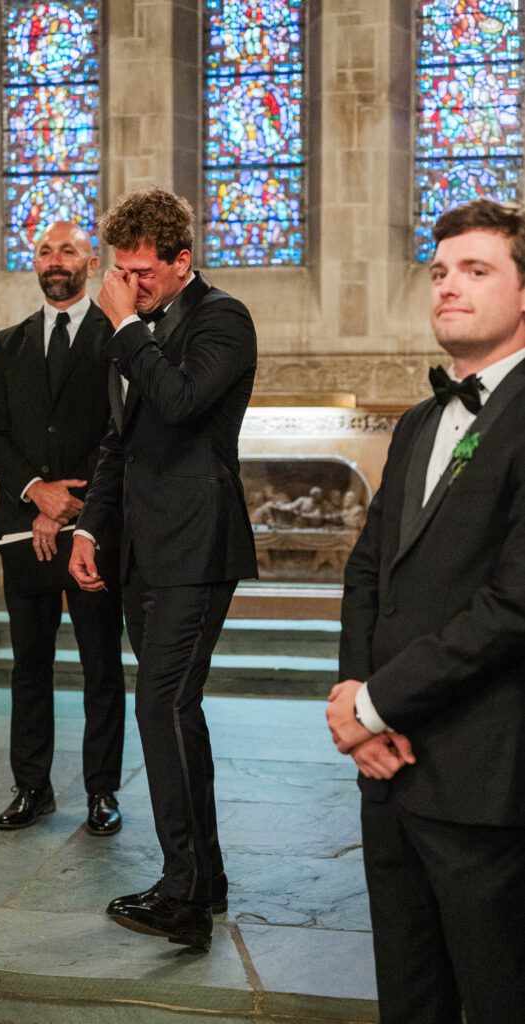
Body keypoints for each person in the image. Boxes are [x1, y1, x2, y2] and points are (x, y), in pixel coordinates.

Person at [326, 198, 525, 1024]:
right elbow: (368, 571)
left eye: (476, 270)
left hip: (486, 773)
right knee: (408, 998)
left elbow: (513, 603)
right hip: (390, 771)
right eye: (439, 272)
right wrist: (352, 696)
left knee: (495, 995)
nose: (447, 286)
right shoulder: (416, 423)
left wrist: (374, 704)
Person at [69, 187, 258, 951]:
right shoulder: (138, 332)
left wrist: (122, 325)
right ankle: (202, 878)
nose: (128, 283)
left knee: (160, 707)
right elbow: (121, 441)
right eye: (120, 271)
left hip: (198, 546)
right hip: (143, 551)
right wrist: (90, 528)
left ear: (182, 262)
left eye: (142, 272)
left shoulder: (222, 319)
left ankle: (182, 898)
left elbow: (179, 403)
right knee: (177, 715)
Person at [0, 222, 125, 837]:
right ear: (33, 263)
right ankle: (32, 786)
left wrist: (73, 507)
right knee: (29, 667)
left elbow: (121, 432)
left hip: (93, 528)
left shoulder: (117, 338)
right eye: (45, 250)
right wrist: (36, 495)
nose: (55, 259)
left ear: (91, 263)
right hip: (24, 531)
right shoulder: (7, 343)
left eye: (68, 250)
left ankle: (101, 792)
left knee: (100, 665)